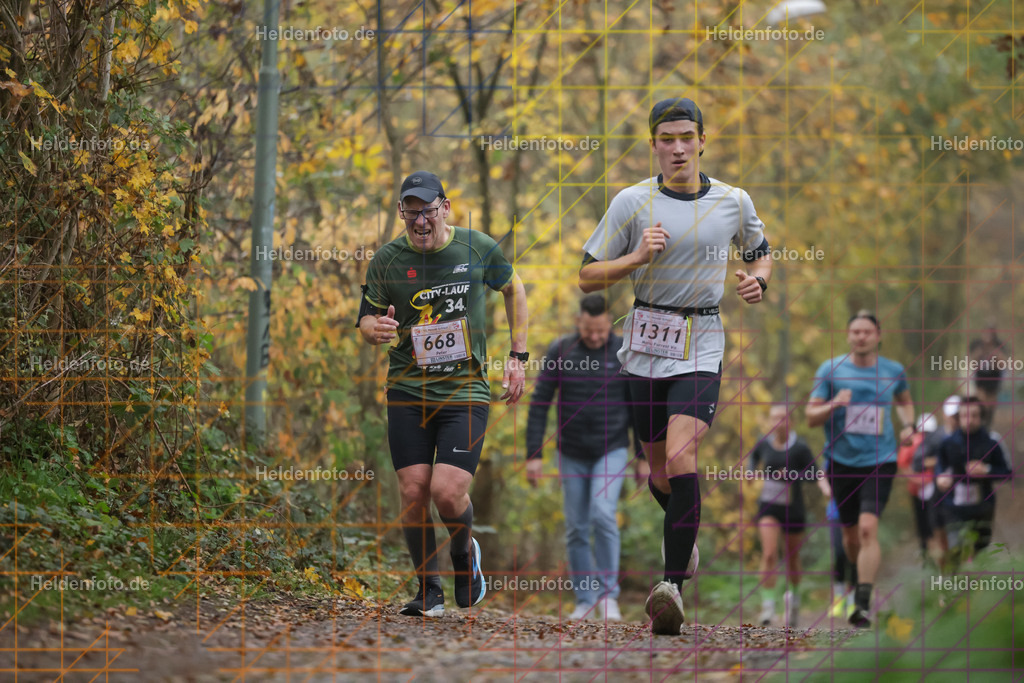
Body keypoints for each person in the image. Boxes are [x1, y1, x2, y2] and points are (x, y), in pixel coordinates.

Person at [578, 97, 773, 635]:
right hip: (644, 341)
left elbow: (760, 249)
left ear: (703, 140)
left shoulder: (733, 201)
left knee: (684, 454)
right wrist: (636, 258)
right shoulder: (631, 202)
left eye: (688, 136)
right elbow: (587, 276)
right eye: (667, 138)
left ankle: (671, 589)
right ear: (654, 146)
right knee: (660, 474)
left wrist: (760, 279)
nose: (678, 147)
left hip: (702, 338)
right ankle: (682, 540)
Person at [357, 170, 529, 617]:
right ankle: (427, 591)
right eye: (411, 212)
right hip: (408, 389)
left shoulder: (477, 247)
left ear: (445, 208)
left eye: (427, 211)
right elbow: (366, 319)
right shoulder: (387, 261)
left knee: (447, 491)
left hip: (464, 390)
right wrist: (373, 329)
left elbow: (514, 289)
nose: (419, 221)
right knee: (413, 491)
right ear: (401, 213)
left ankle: (463, 554)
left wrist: (518, 356)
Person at [525, 294, 639, 622]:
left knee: (603, 514)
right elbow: (540, 403)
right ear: (579, 322)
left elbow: (637, 406)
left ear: (609, 323)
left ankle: (607, 596)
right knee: (576, 527)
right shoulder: (561, 350)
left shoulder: (623, 351)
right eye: (589, 330)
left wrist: (643, 456)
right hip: (571, 451)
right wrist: (534, 454)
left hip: (612, 448)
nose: (594, 336)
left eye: (601, 330)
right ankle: (585, 597)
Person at [806, 310, 915, 629]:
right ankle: (854, 580)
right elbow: (811, 417)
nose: (861, 337)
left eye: (867, 332)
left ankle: (863, 604)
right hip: (841, 461)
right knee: (851, 536)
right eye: (855, 332)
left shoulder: (893, 370)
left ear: (878, 335)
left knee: (868, 528)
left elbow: (905, 400)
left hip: (880, 459)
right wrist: (834, 404)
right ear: (848, 335)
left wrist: (909, 424)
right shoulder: (831, 370)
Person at [748, 404, 830, 628]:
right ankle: (768, 607)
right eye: (773, 417)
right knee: (769, 553)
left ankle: (793, 600)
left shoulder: (800, 448)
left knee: (792, 557)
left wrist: (824, 488)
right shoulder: (764, 443)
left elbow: (815, 474)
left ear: (790, 422)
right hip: (768, 506)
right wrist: (750, 472)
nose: (777, 422)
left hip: (793, 508)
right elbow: (753, 458)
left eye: (781, 418)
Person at [934, 396, 1012, 567]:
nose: (969, 420)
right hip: (954, 507)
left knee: (980, 553)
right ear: (959, 417)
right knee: (956, 550)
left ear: (981, 417)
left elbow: (1007, 472)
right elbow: (940, 469)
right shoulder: (947, 443)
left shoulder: (992, 441)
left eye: (974, 415)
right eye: (964, 416)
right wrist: (941, 479)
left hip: (983, 507)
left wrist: (987, 470)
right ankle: (956, 588)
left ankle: (977, 588)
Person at [914, 395, 961, 563]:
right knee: (941, 535)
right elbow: (917, 462)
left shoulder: (971, 435)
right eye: (952, 415)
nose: (955, 419)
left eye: (958, 415)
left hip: (963, 496)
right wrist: (939, 460)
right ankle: (946, 575)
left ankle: (963, 575)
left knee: (959, 537)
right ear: (945, 415)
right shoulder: (934, 437)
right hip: (939, 495)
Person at [897, 413, 938, 565]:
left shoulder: (938, 441)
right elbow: (903, 463)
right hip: (917, 490)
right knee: (923, 523)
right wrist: (916, 479)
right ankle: (926, 555)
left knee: (934, 522)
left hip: (936, 489)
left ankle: (934, 555)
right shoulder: (913, 443)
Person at [968, 322, 1008, 426]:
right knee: (980, 407)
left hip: (993, 385)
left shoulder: (999, 345)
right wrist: (982, 350)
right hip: (980, 384)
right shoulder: (977, 345)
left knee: (990, 411)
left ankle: (987, 427)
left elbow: (1002, 363)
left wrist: (993, 351)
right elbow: (972, 361)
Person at [826, 497, 858, 621]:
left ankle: (853, 598)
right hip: (836, 511)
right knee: (839, 552)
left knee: (854, 552)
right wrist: (826, 486)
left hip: (856, 510)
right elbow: (821, 478)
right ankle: (839, 596)